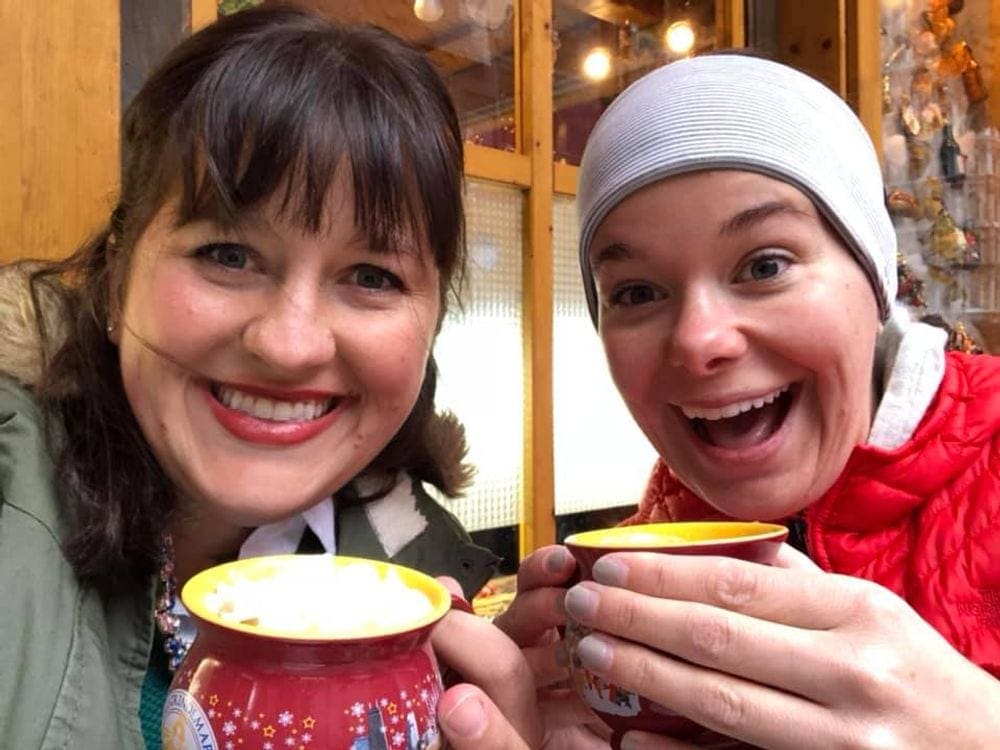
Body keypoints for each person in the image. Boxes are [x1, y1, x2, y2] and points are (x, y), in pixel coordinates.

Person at [440, 53, 1000, 749]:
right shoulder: (646, 551)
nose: (698, 341)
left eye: (766, 265)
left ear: (874, 281)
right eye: (637, 292)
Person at [0, 6, 504, 747]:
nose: (289, 345)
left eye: (371, 275)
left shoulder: (429, 583)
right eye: (227, 255)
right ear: (114, 280)